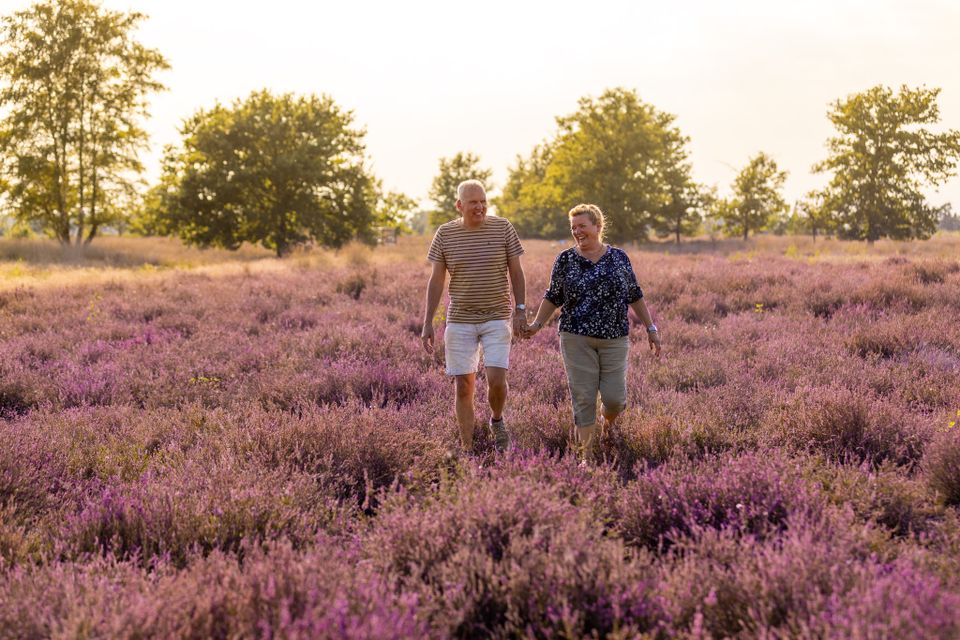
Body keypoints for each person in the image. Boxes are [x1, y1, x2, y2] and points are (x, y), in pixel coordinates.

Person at [524, 203, 661, 463]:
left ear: (597, 227)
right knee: (583, 397)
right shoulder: (565, 259)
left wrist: (651, 327)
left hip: (615, 339)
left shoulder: (619, 257)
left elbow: (634, 294)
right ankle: (585, 459)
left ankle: (607, 423)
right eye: (573, 227)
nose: (577, 231)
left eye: (582, 226)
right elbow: (553, 296)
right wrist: (536, 325)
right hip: (576, 337)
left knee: (615, 400)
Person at [421, 179, 527, 453]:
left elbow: (516, 272)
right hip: (459, 320)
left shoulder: (503, 227)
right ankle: (467, 447)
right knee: (464, 387)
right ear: (459, 205)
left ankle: (497, 420)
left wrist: (520, 310)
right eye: (473, 202)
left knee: (497, 381)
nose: (480, 207)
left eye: (483, 201)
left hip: (497, 316)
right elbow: (436, 281)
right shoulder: (445, 234)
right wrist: (427, 323)